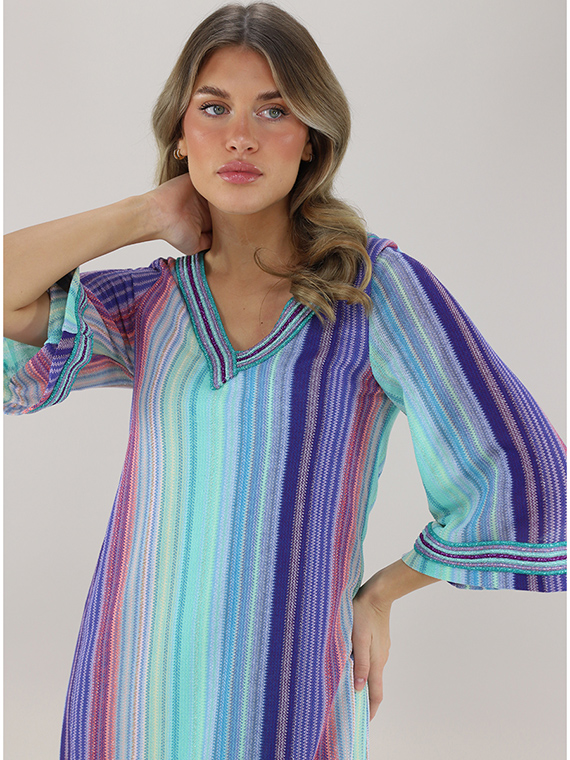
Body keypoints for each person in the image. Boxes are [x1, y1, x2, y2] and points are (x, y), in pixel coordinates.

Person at [4, 3, 566, 759]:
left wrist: (383, 593)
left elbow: (525, 466)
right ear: (180, 133)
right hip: (132, 684)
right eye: (214, 109)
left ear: (312, 140)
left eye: (274, 110)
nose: (240, 136)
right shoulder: (149, 302)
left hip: (287, 688)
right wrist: (147, 212)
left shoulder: (372, 289)